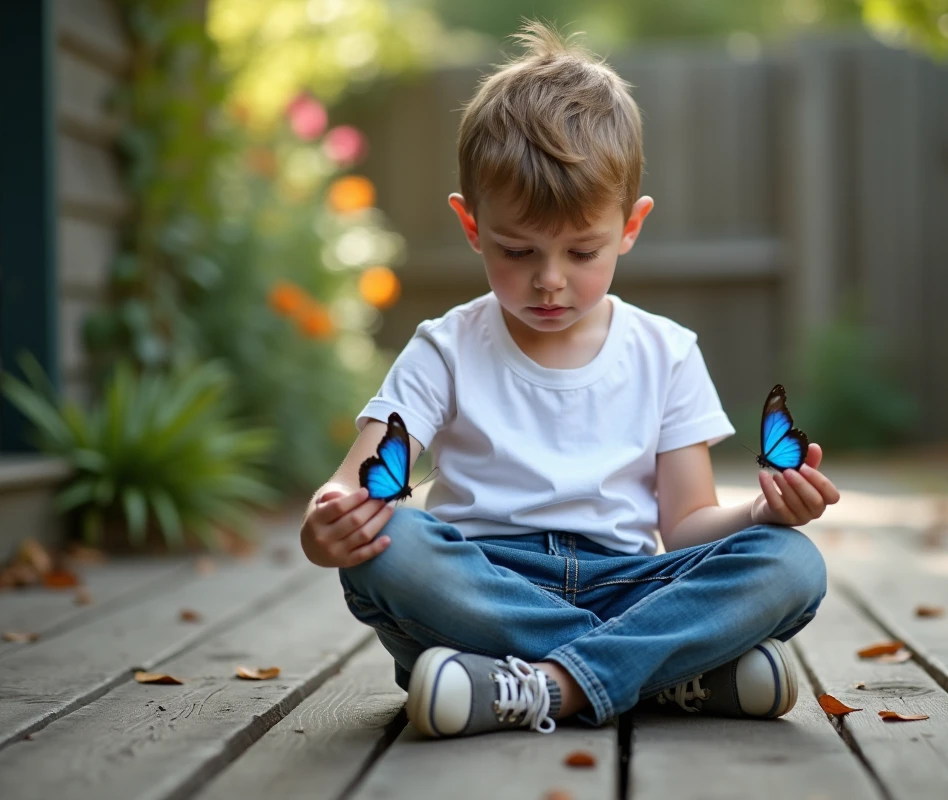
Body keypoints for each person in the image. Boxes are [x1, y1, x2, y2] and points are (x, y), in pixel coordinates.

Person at [300, 21, 838, 739]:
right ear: (471, 225)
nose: (549, 282)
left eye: (582, 251)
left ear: (630, 227)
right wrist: (324, 528)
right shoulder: (445, 347)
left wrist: (765, 515)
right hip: (484, 587)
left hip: (627, 584)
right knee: (391, 544)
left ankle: (541, 686)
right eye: (517, 251)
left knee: (791, 563)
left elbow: (685, 528)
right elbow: (354, 488)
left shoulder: (666, 353)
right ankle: (666, 674)